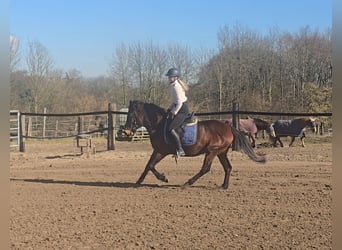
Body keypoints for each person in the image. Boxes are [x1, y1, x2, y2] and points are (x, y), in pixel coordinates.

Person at [165, 67, 189, 157]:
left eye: (170, 76)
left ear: (175, 77)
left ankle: (180, 149)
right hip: (178, 107)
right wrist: (169, 109)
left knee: (171, 128)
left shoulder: (176, 87)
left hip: (182, 110)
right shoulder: (173, 86)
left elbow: (179, 103)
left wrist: (173, 112)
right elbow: (174, 101)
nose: (168, 78)